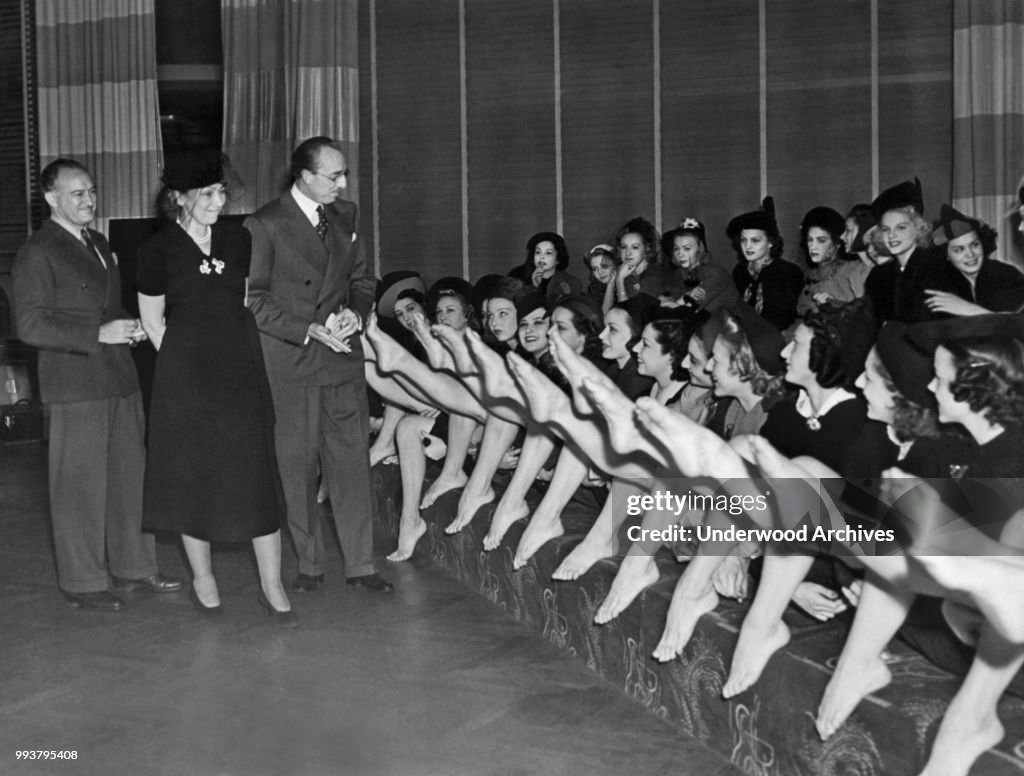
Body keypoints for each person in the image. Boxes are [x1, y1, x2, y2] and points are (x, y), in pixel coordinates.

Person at [12, 158, 182, 610]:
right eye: (77, 193)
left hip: (118, 378)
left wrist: (128, 326)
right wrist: (98, 334)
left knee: (129, 480)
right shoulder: (37, 251)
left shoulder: (99, 243)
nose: (88, 200)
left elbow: (104, 310)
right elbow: (30, 325)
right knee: (79, 488)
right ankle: (83, 582)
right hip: (75, 384)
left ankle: (135, 567)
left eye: (91, 191)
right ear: (51, 198)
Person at [137, 150, 292, 624]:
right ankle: (203, 580)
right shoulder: (156, 250)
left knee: (255, 476)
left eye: (221, 192)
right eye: (206, 193)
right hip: (185, 381)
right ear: (179, 197)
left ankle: (272, 585)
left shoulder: (237, 239)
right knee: (194, 478)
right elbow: (153, 322)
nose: (217, 202)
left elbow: (240, 303)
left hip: (240, 372)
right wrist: (187, 372)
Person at [246, 136, 393, 594]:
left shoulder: (346, 215)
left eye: (343, 174)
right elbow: (254, 298)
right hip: (293, 360)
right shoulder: (265, 223)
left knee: (351, 463)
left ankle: (361, 564)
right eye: (334, 176)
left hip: (341, 358)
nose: (343, 183)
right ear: (304, 176)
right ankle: (309, 563)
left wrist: (356, 312)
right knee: (297, 467)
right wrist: (306, 327)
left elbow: (363, 279)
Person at [862, 177, 942, 324]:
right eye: (886, 229)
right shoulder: (878, 276)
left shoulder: (938, 268)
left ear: (918, 227)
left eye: (901, 227)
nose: (892, 235)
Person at [925, 203, 1024, 316]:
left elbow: (1017, 322)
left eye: (975, 245)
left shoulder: (1007, 274)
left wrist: (969, 309)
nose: (970, 254)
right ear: (946, 255)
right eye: (959, 250)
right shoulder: (939, 282)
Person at [728, 197, 803, 330]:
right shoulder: (739, 271)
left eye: (755, 240)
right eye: (743, 240)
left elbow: (787, 318)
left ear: (771, 242)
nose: (747, 246)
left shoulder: (788, 272)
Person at [659, 217, 737, 314]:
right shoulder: (679, 274)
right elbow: (670, 300)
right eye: (676, 249)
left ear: (700, 248)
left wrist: (670, 303)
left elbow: (687, 309)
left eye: (687, 248)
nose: (680, 254)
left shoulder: (715, 274)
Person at [511, 231, 583, 301]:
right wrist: (534, 287)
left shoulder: (570, 282)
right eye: (538, 252)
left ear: (558, 259)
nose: (542, 257)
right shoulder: (518, 278)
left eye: (548, 253)